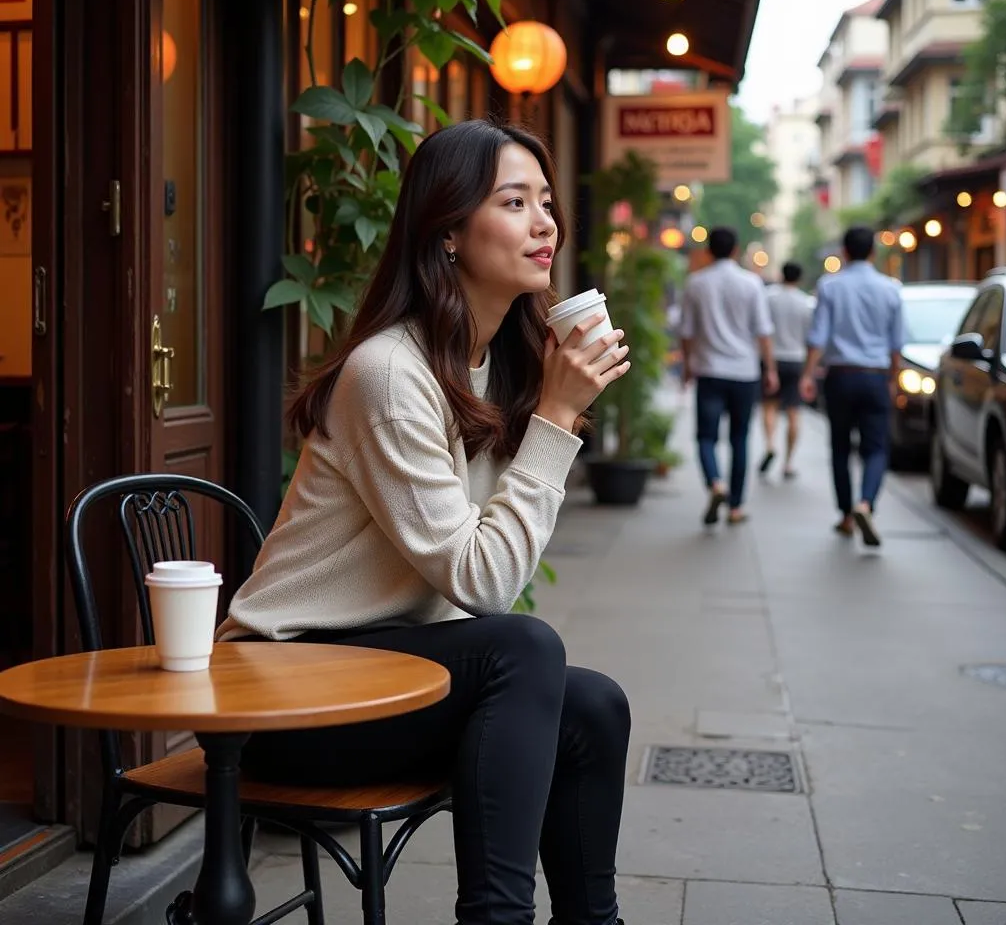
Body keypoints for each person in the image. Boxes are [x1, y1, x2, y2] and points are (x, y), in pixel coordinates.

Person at [217, 120, 633, 925]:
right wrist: (554, 420)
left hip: (384, 674)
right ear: (447, 231)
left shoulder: (496, 362)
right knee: (524, 646)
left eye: (546, 201)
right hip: (281, 693)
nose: (545, 222)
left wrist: (548, 407)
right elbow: (482, 584)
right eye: (514, 202)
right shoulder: (387, 372)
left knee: (595, 706)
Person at [799, 226, 905, 546]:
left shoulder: (830, 286)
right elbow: (896, 344)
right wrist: (894, 380)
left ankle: (846, 514)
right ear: (873, 252)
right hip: (874, 375)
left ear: (843, 252)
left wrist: (807, 374)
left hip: (841, 376)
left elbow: (819, 336)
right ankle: (866, 503)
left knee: (841, 448)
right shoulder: (891, 289)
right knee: (876, 448)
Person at [680, 226, 778, 526]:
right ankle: (735, 507)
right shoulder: (752, 283)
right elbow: (763, 332)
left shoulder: (696, 283)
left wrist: (687, 365)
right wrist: (770, 369)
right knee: (740, 438)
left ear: (709, 250)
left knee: (706, 437)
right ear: (736, 250)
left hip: (709, 370)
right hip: (743, 373)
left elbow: (686, 332)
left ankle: (715, 483)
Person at [759, 261, 813, 480]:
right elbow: (811, 339)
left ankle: (771, 444)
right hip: (796, 359)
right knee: (793, 412)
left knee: (769, 406)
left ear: (781, 275)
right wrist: (809, 371)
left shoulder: (769, 297)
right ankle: (788, 463)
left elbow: (762, 331)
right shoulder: (805, 303)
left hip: (773, 358)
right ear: (799, 278)